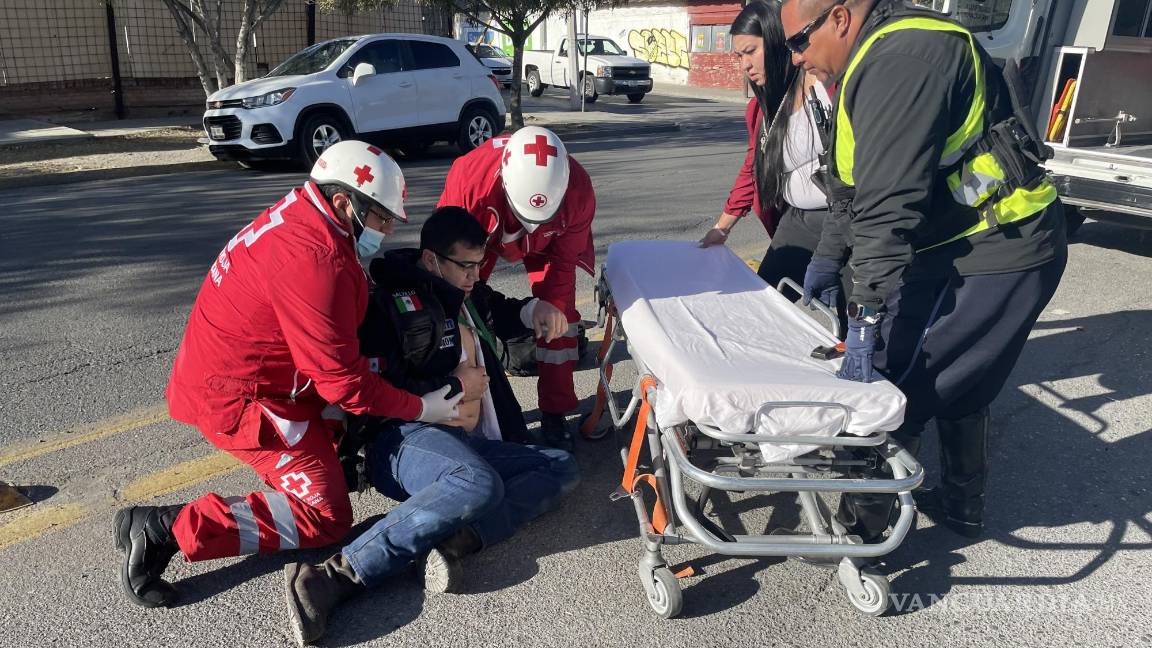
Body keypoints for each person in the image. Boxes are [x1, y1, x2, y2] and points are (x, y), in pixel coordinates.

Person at [112, 141, 465, 609]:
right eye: (382, 218)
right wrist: (420, 407)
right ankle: (166, 529)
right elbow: (344, 384)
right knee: (327, 517)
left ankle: (309, 470)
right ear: (345, 202)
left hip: (253, 377)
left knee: (338, 436)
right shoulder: (315, 260)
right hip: (244, 402)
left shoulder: (305, 216)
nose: (388, 229)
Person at [782, 0, 1067, 542]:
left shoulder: (901, 61)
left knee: (895, 384)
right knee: (962, 382)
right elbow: (852, 189)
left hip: (996, 247)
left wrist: (866, 314)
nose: (795, 58)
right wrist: (827, 256)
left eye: (799, 41)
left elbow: (888, 208)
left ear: (839, 18)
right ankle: (962, 506)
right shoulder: (875, 57)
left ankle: (861, 534)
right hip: (980, 241)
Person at [283, 207, 581, 646]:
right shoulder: (388, 307)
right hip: (398, 440)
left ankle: (451, 539)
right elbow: (373, 391)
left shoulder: (462, 291)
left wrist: (535, 307)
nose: (475, 276)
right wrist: (452, 388)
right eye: (465, 266)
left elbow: (496, 309)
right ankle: (334, 576)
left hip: (457, 438)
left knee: (560, 466)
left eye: (478, 265)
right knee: (477, 482)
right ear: (431, 260)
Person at [438, 126, 596, 451]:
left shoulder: (578, 192)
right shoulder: (470, 182)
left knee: (560, 320)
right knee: (463, 314)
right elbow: (448, 261)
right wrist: (467, 293)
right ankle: (470, 409)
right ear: (505, 184)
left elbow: (564, 264)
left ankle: (555, 412)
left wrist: (551, 304)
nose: (531, 226)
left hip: (552, 241)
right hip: (482, 233)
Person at [701, 0, 846, 316]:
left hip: (844, 220)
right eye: (739, 56)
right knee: (763, 306)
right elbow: (752, 169)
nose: (745, 65)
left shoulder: (825, 86)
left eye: (751, 51)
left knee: (853, 321)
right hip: (797, 221)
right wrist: (722, 229)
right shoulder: (760, 108)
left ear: (778, 42)